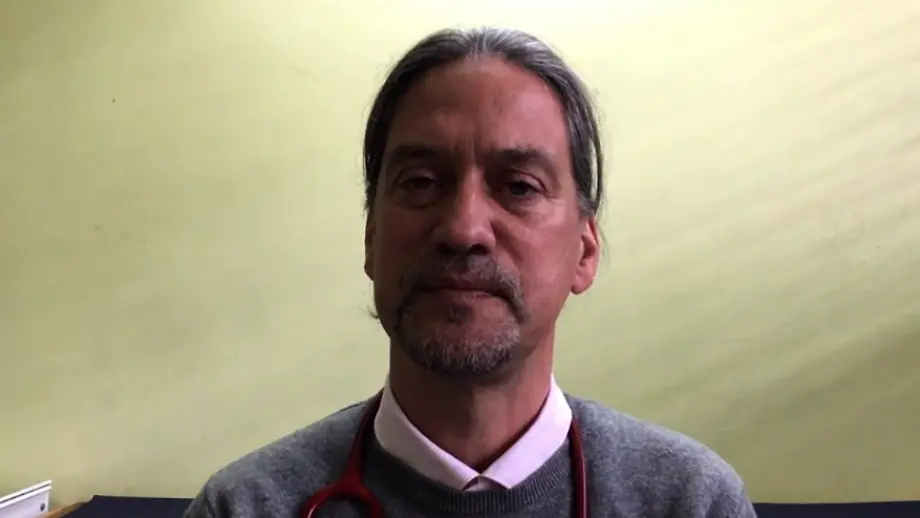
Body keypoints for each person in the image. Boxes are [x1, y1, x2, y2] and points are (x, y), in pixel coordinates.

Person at [183, 27, 757, 518]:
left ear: (584, 253)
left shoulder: (690, 501)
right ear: (371, 237)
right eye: (421, 182)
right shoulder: (247, 506)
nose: (463, 229)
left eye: (519, 187)